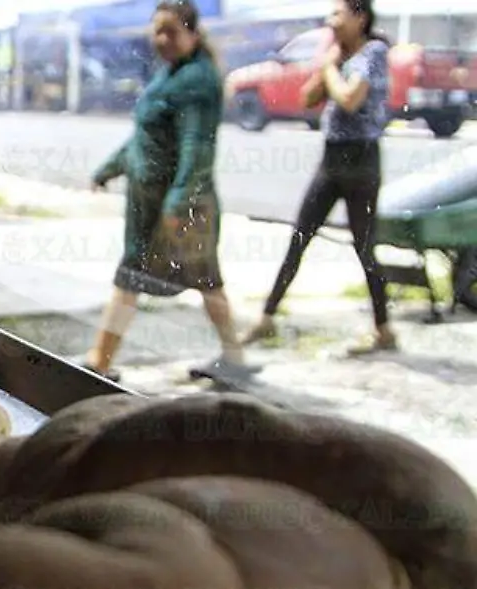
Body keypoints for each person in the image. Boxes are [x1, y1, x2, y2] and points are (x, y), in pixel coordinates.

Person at [84, 0, 256, 383]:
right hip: (156, 206)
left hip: (180, 206)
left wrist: (178, 203)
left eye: (171, 31)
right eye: (157, 30)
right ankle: (235, 360)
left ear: (192, 33)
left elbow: (197, 149)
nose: (162, 39)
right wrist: (109, 168)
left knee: (183, 278)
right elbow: (144, 138)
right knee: (181, 279)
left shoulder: (197, 79)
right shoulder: (171, 74)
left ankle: (100, 361)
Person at [243, 0, 394, 354]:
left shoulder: (373, 52)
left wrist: (329, 69)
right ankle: (266, 317)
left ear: (360, 17)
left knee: (365, 246)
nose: (331, 22)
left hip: (361, 160)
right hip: (332, 159)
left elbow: (349, 99)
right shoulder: (338, 55)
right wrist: (325, 66)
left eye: (338, 15)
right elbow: (308, 98)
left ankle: (384, 329)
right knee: (300, 236)